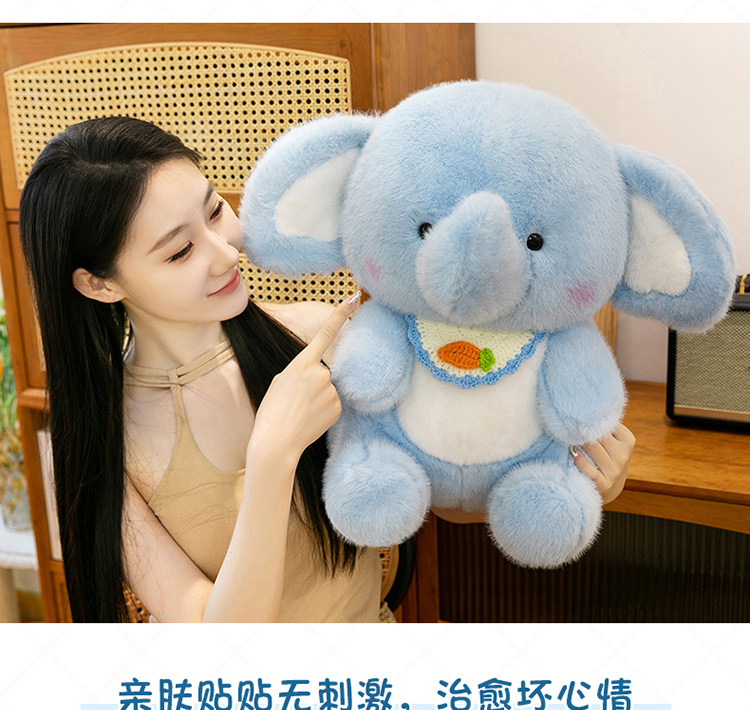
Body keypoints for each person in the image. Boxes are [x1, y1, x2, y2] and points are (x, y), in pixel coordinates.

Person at [19, 116, 635, 623]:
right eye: (180, 251)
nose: (226, 251)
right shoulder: (105, 440)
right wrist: (271, 456)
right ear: (99, 284)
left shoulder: (322, 338)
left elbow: (446, 493)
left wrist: (581, 480)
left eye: (215, 210)